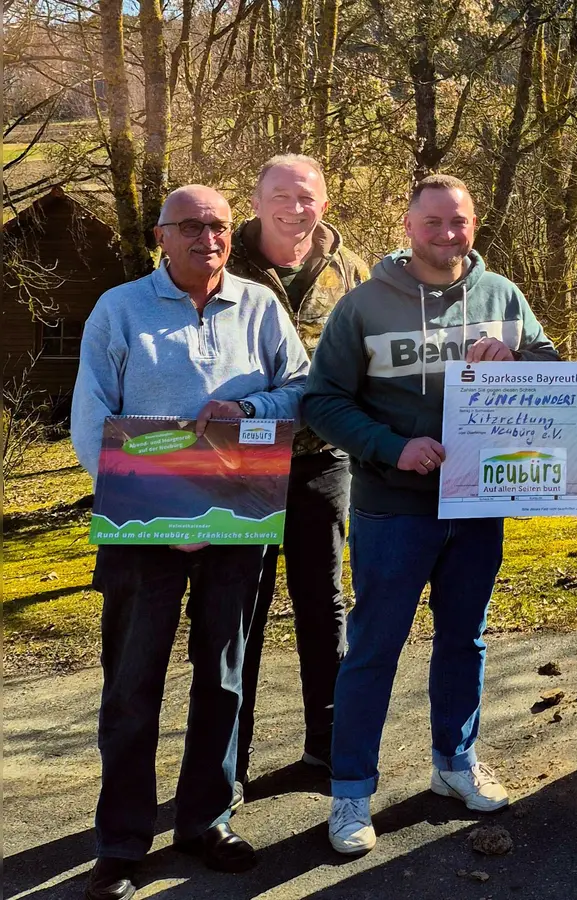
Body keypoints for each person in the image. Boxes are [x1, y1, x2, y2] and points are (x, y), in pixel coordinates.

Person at [303, 174, 560, 854]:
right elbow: (323, 401)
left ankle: (455, 764)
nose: (449, 234)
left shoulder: (503, 295)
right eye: (435, 222)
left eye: (461, 222)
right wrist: (392, 447)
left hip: (479, 505)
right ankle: (352, 794)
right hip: (393, 510)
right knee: (374, 651)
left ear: (474, 225)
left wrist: (516, 356)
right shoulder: (363, 305)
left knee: (464, 641)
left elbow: (552, 372)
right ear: (409, 225)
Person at [70, 185, 309, 900]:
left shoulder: (261, 307)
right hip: (142, 526)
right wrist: (165, 511)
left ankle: (207, 820)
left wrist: (249, 406)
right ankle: (121, 843)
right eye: (191, 226)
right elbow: (91, 420)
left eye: (219, 226)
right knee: (131, 686)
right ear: (160, 236)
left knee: (225, 677)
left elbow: (301, 385)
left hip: (237, 519)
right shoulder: (119, 310)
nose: (208, 237)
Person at [229, 153, 369, 790]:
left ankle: (328, 745)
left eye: (307, 196)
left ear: (325, 203)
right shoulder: (221, 260)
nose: (295, 207)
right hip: (236, 460)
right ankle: (229, 760)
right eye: (280, 195)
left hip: (323, 457)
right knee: (240, 610)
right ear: (255, 201)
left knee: (324, 602)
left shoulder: (354, 271)